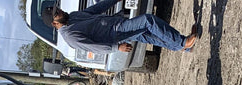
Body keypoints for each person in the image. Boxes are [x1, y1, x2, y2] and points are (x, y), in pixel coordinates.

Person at [42, 0, 198, 56]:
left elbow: (96, 9)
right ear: (54, 23)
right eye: (57, 14)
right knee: (147, 20)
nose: (60, 11)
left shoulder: (73, 16)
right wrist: (117, 47)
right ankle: (183, 42)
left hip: (116, 24)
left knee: (144, 33)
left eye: (58, 9)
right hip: (116, 33)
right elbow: (95, 47)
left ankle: (180, 47)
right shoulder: (70, 36)